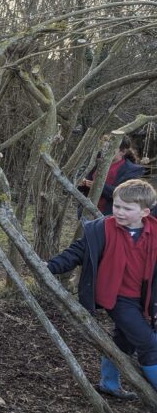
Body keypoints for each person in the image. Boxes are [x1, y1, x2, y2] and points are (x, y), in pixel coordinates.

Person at [48, 179, 157, 398]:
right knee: (150, 344)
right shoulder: (102, 229)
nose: (119, 212)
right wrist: (50, 266)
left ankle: (109, 383)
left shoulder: (154, 234)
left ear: (145, 212)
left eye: (127, 208)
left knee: (123, 340)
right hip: (119, 298)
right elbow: (77, 252)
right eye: (117, 206)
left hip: (146, 298)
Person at [78, 137, 145, 215]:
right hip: (86, 213)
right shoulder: (97, 163)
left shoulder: (131, 170)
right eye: (105, 148)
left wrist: (99, 186)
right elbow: (85, 186)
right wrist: (82, 183)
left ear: (123, 152)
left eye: (111, 148)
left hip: (109, 216)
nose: (105, 151)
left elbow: (125, 194)